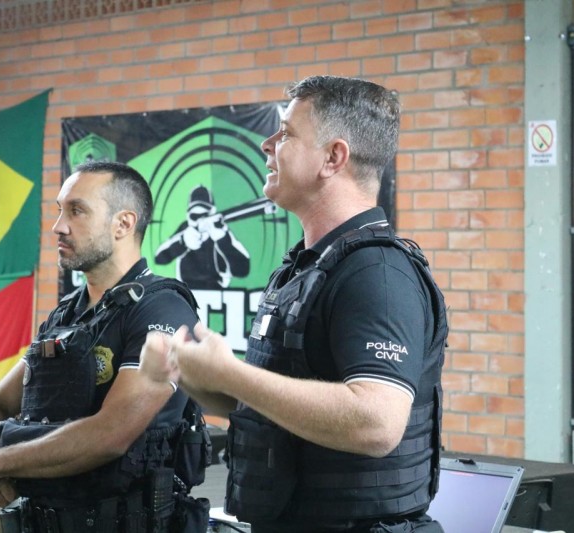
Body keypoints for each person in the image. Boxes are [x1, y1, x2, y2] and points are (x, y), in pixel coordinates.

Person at [139, 76, 449, 532]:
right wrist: (184, 369)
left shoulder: (377, 274)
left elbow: (377, 423)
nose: (267, 144)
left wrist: (231, 373)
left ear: (333, 157)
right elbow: (259, 402)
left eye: (285, 134)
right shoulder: (304, 269)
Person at [0, 161, 210, 532]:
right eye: (59, 210)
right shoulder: (67, 314)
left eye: (76, 211)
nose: (59, 226)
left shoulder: (162, 309)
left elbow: (112, 433)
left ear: (123, 224)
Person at [154, 185, 250, 289]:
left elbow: (242, 270)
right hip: (187, 292)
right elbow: (159, 257)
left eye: (204, 215)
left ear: (212, 213)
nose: (200, 221)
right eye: (195, 216)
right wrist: (182, 242)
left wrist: (223, 240)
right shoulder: (185, 228)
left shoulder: (220, 230)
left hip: (218, 293)